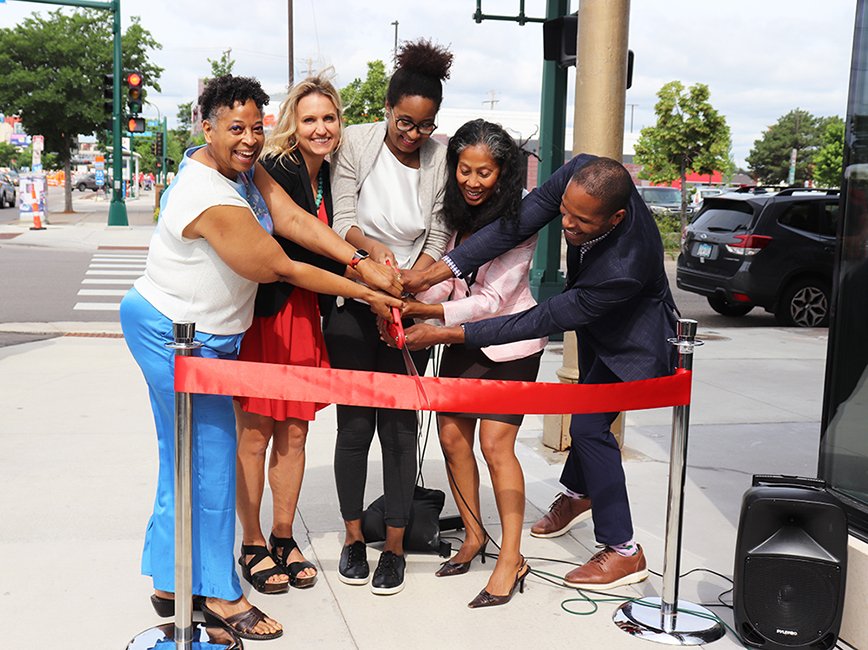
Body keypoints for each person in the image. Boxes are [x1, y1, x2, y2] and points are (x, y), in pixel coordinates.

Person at [119, 74, 403, 641]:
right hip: (176, 337)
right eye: (234, 128)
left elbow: (296, 220)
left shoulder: (243, 170)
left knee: (184, 462)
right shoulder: (208, 194)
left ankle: (172, 582)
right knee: (215, 463)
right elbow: (280, 264)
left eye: (255, 126)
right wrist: (367, 284)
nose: (248, 139)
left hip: (204, 336)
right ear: (206, 128)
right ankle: (223, 597)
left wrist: (360, 260)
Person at [400, 155, 678, 591]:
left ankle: (624, 550)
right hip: (595, 322)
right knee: (588, 416)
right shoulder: (581, 174)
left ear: (616, 217)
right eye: (563, 209)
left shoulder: (623, 269)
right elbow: (515, 226)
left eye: (580, 220)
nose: (564, 222)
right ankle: (578, 495)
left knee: (588, 428)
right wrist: (442, 269)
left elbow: (535, 321)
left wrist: (447, 333)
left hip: (632, 339)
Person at [325, 37, 453, 596]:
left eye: (424, 126)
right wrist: (376, 269)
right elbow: (342, 218)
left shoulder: (441, 156)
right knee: (354, 425)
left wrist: (409, 286)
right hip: (355, 296)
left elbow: (442, 233)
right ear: (387, 109)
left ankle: (396, 544)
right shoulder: (355, 143)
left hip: (410, 302)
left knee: (400, 429)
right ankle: (355, 536)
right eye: (405, 122)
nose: (413, 135)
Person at [403, 119, 544, 607]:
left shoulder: (520, 219)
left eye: (484, 172)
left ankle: (512, 556)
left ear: (503, 172)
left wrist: (428, 314)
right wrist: (416, 288)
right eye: (465, 170)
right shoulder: (458, 209)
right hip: (461, 339)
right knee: (450, 436)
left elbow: (490, 299)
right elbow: (451, 280)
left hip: (510, 342)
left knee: (495, 444)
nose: (473, 181)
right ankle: (474, 534)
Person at [234, 73, 345, 595]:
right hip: (267, 314)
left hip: (306, 313)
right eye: (309, 119)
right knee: (255, 433)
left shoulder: (331, 174)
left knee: (296, 434)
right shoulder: (276, 168)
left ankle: (283, 536)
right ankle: (252, 541)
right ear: (292, 125)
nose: (321, 128)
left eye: (329, 117)